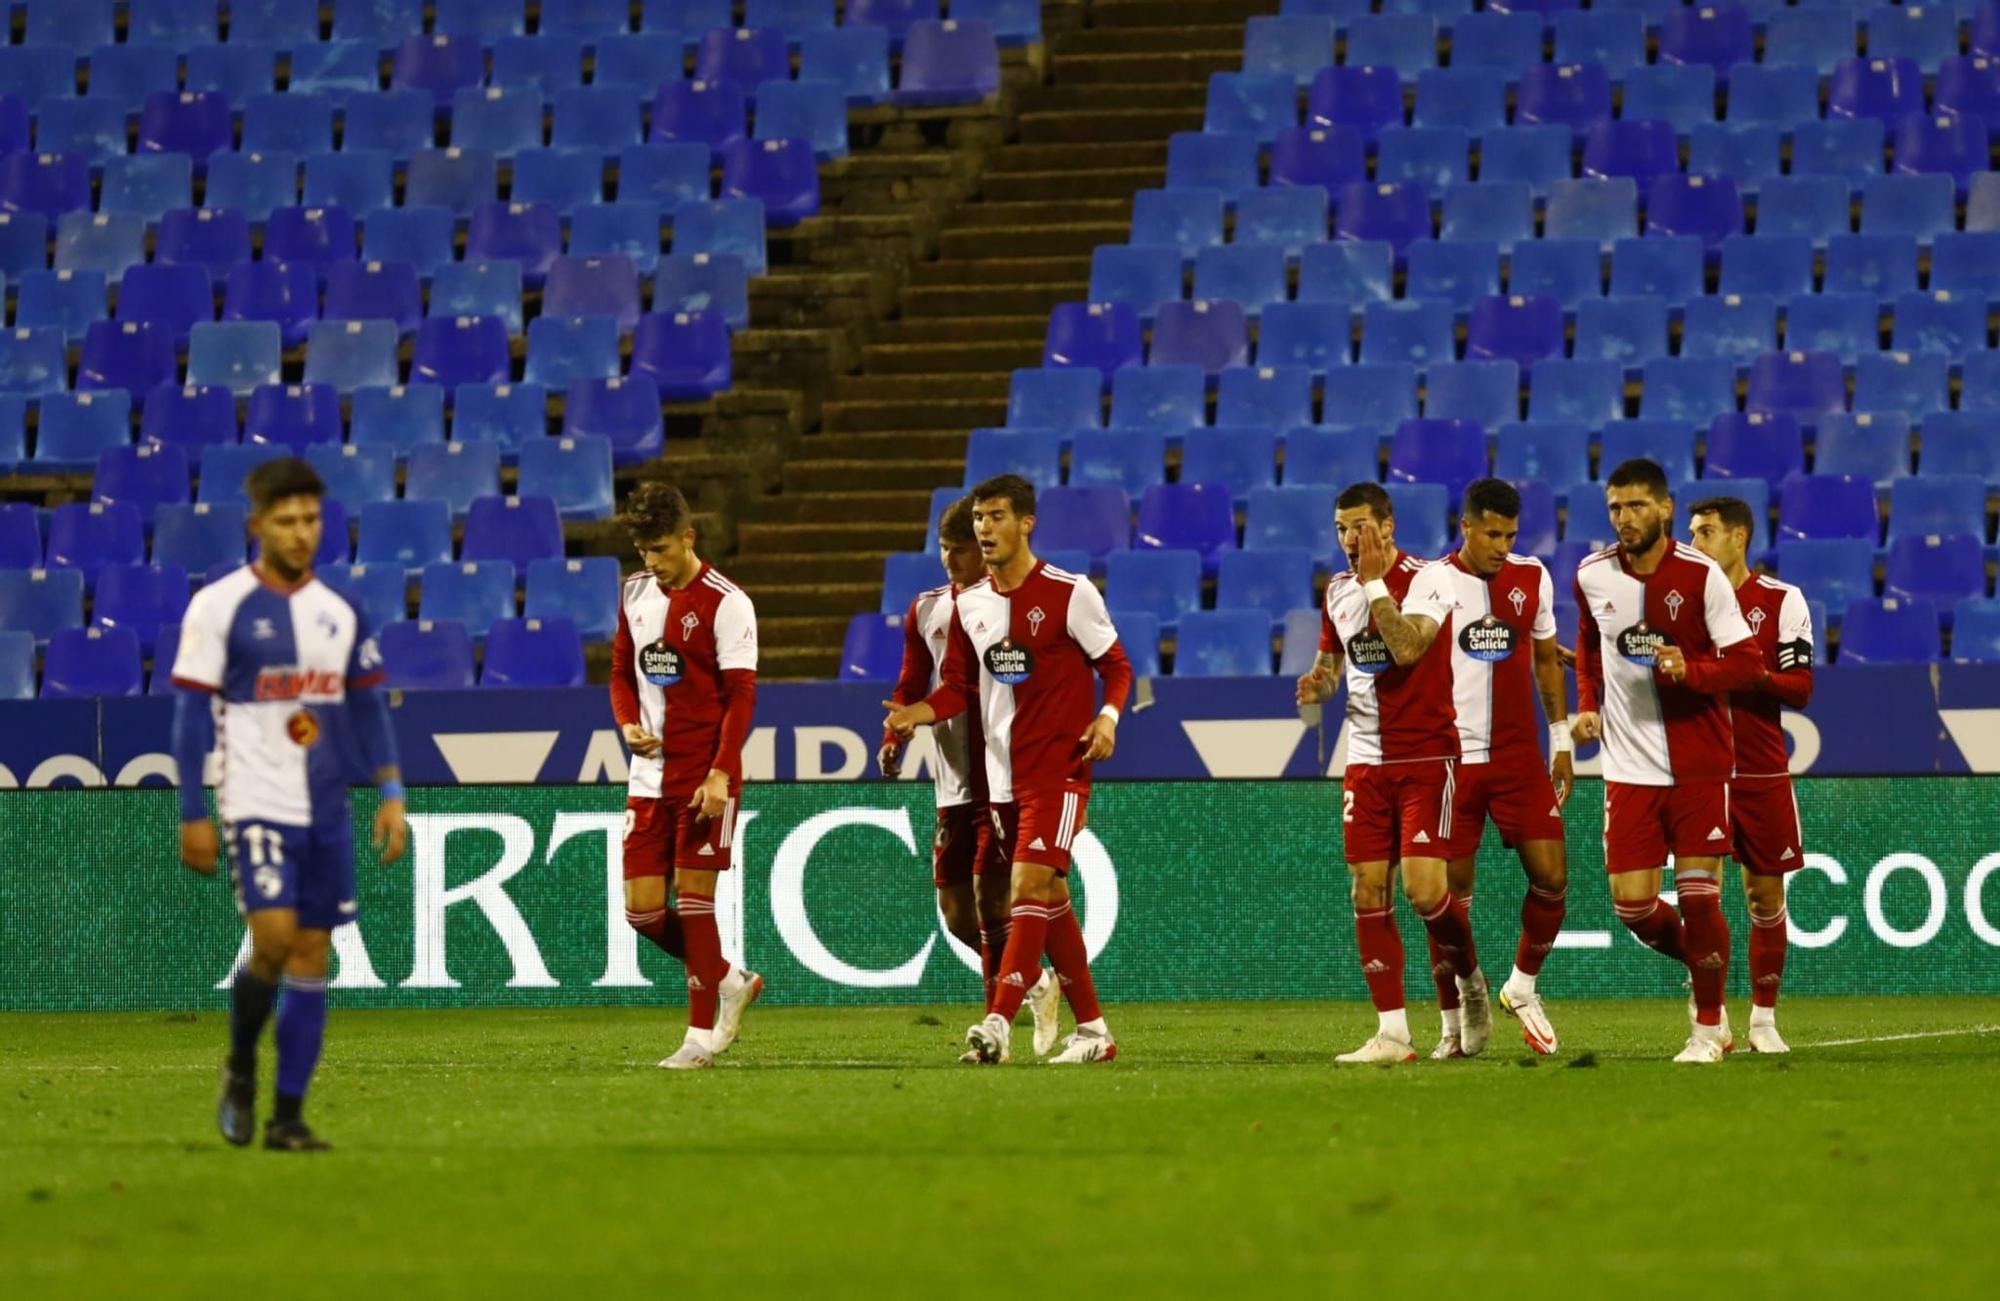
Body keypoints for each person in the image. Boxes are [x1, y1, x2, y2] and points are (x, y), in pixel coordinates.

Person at [173, 457, 407, 1152]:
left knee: (312, 952)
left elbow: (368, 706)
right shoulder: (218, 607)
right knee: (271, 940)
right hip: (254, 800)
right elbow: (190, 716)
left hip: (326, 807)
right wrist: (193, 810)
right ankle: (241, 1063)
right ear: (257, 525)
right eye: (287, 520)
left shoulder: (340, 610)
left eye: (311, 518)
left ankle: (288, 1116)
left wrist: (391, 790)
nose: (302, 533)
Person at [882, 474, 1133, 1065]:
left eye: (996, 517)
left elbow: (1117, 666)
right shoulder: (969, 605)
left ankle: (996, 1020)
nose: (984, 529)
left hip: (1058, 770)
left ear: (1026, 523)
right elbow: (962, 685)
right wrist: (917, 713)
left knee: (1023, 888)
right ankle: (1094, 1031)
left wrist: (1108, 718)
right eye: (978, 519)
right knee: (1049, 901)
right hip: (998, 780)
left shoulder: (1071, 593)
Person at [1572, 460, 1765, 1064]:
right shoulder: (1592, 575)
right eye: (1614, 508)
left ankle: (1708, 1028)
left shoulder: (1702, 576)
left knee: (1701, 897)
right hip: (1627, 766)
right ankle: (1708, 972)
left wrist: (1694, 671)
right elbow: (1585, 644)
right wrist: (1584, 705)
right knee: (1631, 905)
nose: (1623, 518)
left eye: (1635, 506)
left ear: (1665, 509)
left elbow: (1750, 664)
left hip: (1697, 762)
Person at [1295, 482, 1489, 1065]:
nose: (1351, 540)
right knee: (1366, 886)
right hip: (1366, 763)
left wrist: (1377, 584)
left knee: (1426, 892)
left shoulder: (1430, 578)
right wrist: (1318, 684)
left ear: (1388, 526)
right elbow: (1332, 663)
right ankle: (1393, 1033)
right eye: (1341, 529)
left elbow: (1406, 648)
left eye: (1360, 526)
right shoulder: (1336, 592)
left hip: (1428, 757)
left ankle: (1472, 982)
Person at [879, 495, 1060, 1060]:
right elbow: (912, 683)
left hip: (1004, 777)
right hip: (952, 779)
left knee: (990, 901)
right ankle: (1035, 979)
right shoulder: (925, 610)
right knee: (958, 913)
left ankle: (994, 1032)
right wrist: (895, 732)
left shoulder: (1008, 607)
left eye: (960, 550)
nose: (951, 560)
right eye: (944, 548)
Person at [610, 481, 763, 1070]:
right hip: (648, 777)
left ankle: (699, 1038)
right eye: (644, 551)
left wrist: (722, 772)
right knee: (643, 912)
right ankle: (727, 978)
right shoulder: (635, 593)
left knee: (695, 903)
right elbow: (622, 672)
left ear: (688, 538)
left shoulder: (727, 602)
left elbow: (741, 696)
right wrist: (627, 725)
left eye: (662, 551)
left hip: (705, 778)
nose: (653, 563)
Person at [1431, 479, 1573, 1057]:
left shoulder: (1531, 577)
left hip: (1518, 757)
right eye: (1491, 533)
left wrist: (1560, 737)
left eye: (1510, 535)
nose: (1501, 545)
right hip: (1454, 760)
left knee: (1553, 877)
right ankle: (1454, 1020)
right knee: (1446, 901)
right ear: (1466, 526)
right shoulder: (1431, 582)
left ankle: (1522, 985)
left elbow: (1544, 659)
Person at [1687, 496, 1815, 1054]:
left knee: (1764, 898)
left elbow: (1801, 689)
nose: (1695, 543)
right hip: (1699, 771)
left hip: (1761, 772)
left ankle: (1763, 1020)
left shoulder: (1781, 600)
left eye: (1706, 532)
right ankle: (1708, 1020)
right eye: (1691, 532)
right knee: (1699, 899)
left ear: (1739, 537)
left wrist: (1742, 672)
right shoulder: (1684, 602)